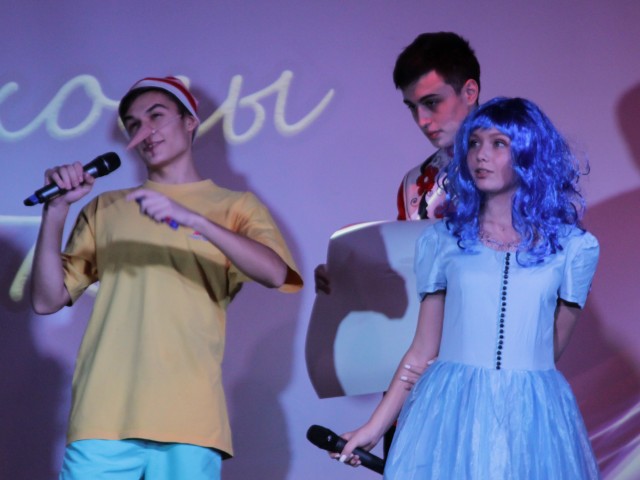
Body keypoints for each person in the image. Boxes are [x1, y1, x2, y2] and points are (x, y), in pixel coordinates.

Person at [30, 76, 303, 479]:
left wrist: (195, 220)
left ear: (190, 121)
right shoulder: (107, 208)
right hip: (103, 415)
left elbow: (275, 272)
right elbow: (46, 300)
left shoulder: (235, 205)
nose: (145, 131)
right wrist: (55, 211)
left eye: (156, 116)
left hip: (189, 417)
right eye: (133, 125)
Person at [334, 97, 601, 479]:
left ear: (529, 152)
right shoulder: (442, 241)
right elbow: (421, 352)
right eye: (474, 143)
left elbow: (551, 347)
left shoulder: (573, 248)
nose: (481, 155)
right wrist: (373, 429)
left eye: (498, 143)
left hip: (532, 418)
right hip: (451, 412)